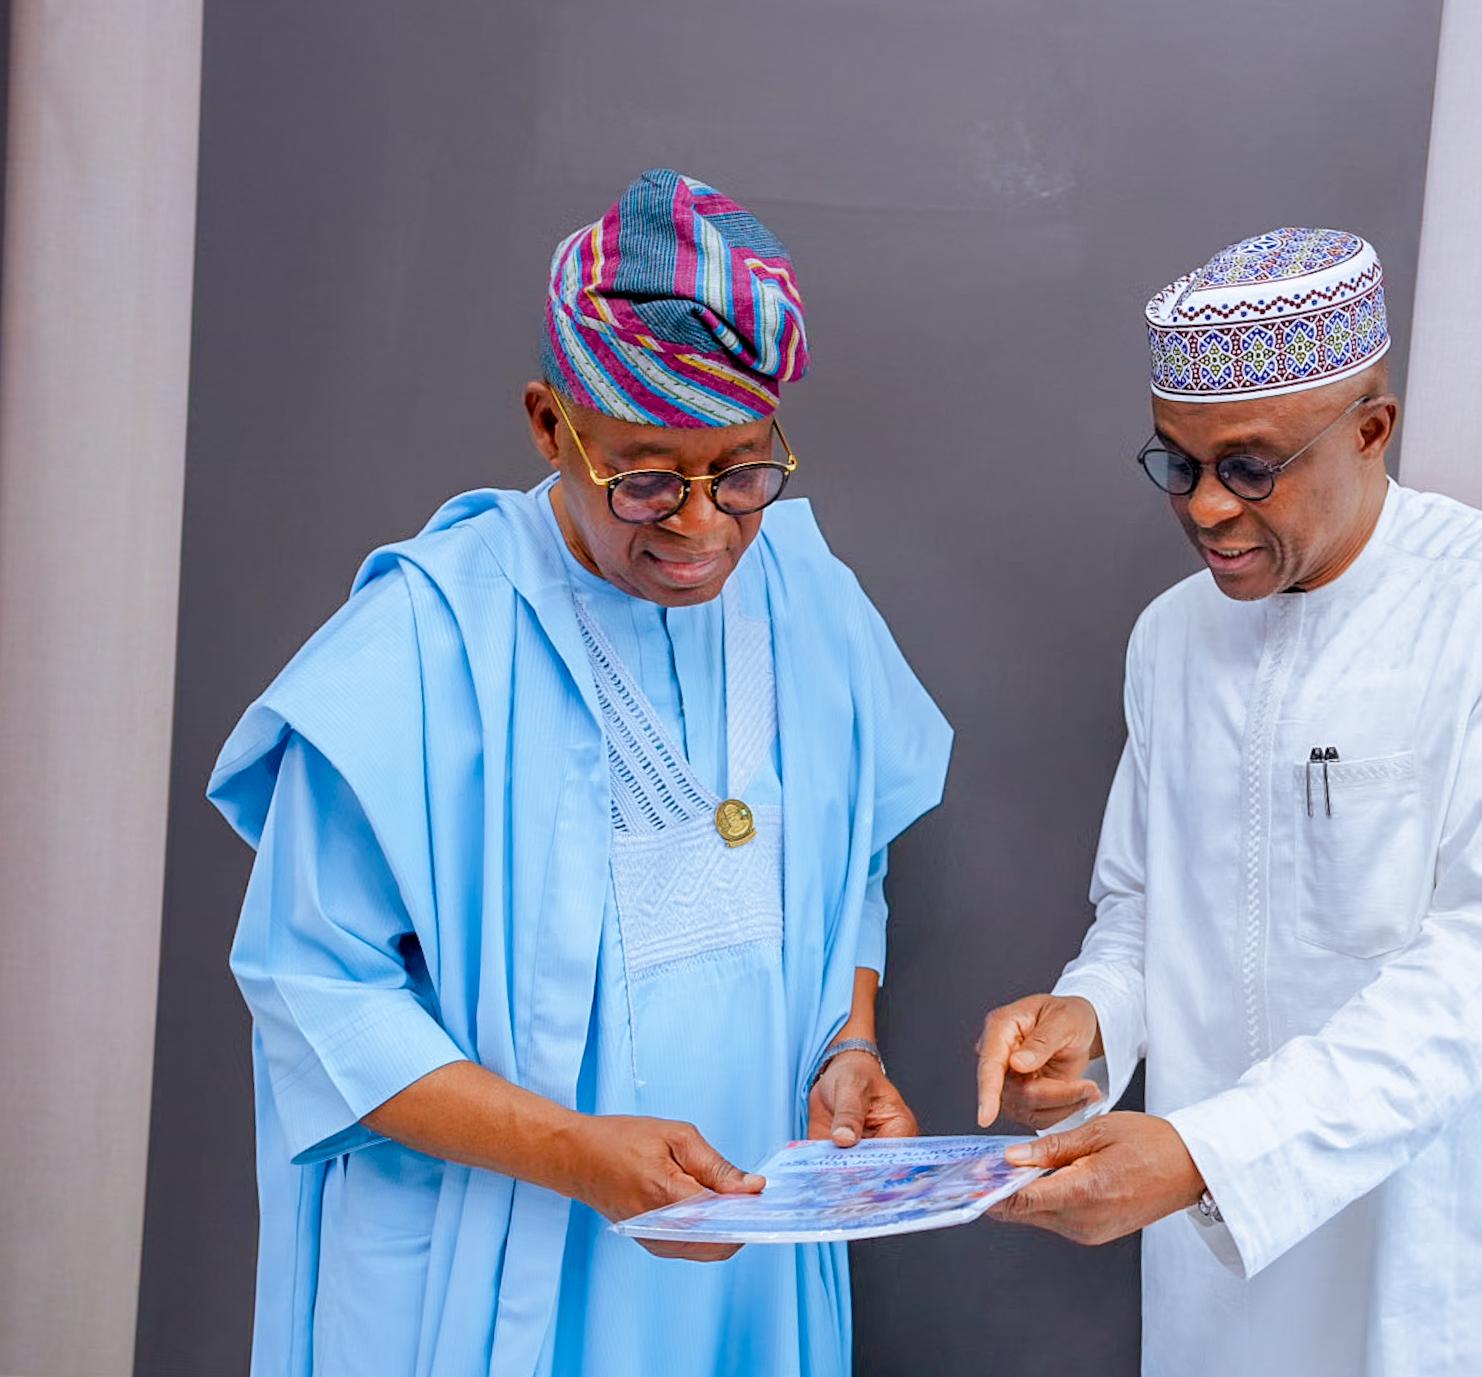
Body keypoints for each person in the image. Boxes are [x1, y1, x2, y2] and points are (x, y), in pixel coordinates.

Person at [215, 170, 950, 1377]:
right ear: (550, 425)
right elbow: (316, 995)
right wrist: (577, 1155)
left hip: (744, 1252)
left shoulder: (808, 599)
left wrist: (846, 1049)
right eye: (644, 478)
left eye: (742, 472)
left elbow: (844, 858)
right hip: (494, 1253)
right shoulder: (422, 645)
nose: (700, 527)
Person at [976, 227, 1482, 1375]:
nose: (1206, 508)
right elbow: (1144, 904)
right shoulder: (1170, 638)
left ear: (1370, 429)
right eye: (1176, 465)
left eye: (1249, 467)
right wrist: (1090, 1016)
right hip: (1235, 1248)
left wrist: (1212, 1152)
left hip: (1458, 1237)